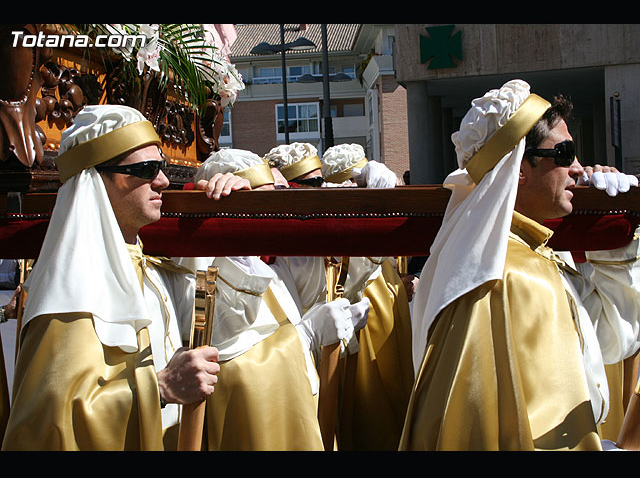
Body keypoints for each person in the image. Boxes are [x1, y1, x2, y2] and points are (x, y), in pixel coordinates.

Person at [400, 79, 640, 451]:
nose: (579, 169)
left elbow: (610, 341)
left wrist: (612, 238)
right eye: (564, 153)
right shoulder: (516, 274)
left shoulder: (521, 256)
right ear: (519, 169)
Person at [1, 105, 248, 451]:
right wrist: (159, 389)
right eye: (146, 169)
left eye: (161, 167)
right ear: (96, 182)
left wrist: (232, 213)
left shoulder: (154, 268)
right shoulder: (73, 287)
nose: (162, 180)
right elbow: (48, 422)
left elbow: (242, 331)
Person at [177, 148, 370, 450]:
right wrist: (306, 336)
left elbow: (324, 263)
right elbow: (236, 369)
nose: (277, 213)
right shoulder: (204, 271)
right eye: (264, 200)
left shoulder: (273, 263)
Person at [317, 143, 415, 450]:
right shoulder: (335, 220)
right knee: (370, 397)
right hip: (362, 313)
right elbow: (348, 275)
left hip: (388, 299)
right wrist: (373, 207)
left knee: (397, 383)